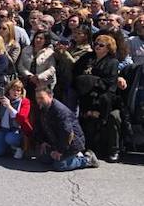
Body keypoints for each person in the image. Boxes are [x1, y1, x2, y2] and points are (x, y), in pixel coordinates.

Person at [73, 34, 120, 162]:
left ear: (108, 48)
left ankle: (108, 150)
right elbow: (76, 71)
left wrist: (91, 80)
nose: (97, 46)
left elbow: (109, 82)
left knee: (108, 118)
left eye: (101, 45)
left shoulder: (112, 62)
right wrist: (88, 81)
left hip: (103, 98)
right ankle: (84, 148)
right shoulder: (88, 57)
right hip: (85, 94)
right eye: (96, 44)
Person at [33, 86, 98, 171]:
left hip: (71, 143)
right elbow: (38, 127)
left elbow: (67, 134)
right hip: (55, 141)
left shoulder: (60, 111)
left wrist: (60, 151)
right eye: (37, 98)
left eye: (41, 98)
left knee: (60, 165)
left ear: (50, 96)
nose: (39, 100)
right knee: (43, 158)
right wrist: (43, 142)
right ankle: (69, 157)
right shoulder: (42, 108)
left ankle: (87, 160)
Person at [0, 79, 32, 159]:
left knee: (9, 138)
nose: (16, 92)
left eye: (18, 90)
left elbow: (22, 118)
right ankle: (8, 147)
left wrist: (9, 106)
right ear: (9, 90)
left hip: (16, 130)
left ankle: (19, 147)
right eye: (13, 90)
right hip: (3, 129)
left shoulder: (25, 101)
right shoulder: (3, 99)